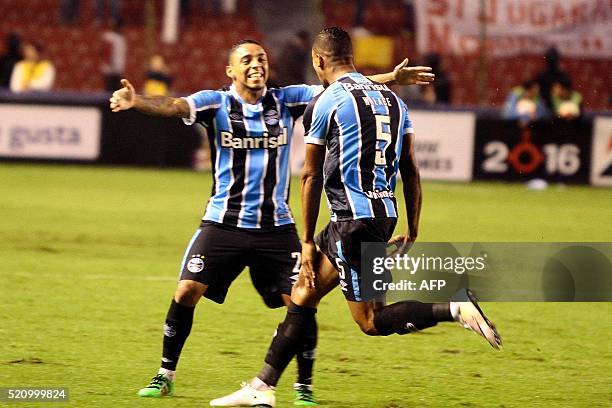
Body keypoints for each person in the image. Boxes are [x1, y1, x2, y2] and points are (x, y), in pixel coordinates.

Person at [109, 38, 434, 404]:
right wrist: (136, 101)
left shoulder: (288, 99)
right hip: (223, 223)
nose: (256, 64)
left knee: (300, 300)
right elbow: (172, 104)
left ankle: (303, 387)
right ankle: (164, 374)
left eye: (261, 58)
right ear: (230, 70)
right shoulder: (214, 102)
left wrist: (391, 76)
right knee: (186, 291)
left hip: (276, 228)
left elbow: (343, 85)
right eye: (246, 60)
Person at [210, 27, 501, 408]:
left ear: (318, 60)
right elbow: (410, 170)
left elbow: (310, 174)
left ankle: (453, 307)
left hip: (351, 223)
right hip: (383, 216)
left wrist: (307, 239)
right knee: (303, 295)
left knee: (370, 321)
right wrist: (413, 227)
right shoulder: (395, 101)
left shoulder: (326, 102)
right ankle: (262, 389)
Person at [535, 47, 570, 112]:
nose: (552, 60)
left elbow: (568, 93)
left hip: (561, 108)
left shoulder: (563, 76)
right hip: (545, 108)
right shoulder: (542, 75)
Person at [101, 18, 126, 92]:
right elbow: (106, 52)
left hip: (118, 69)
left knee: (118, 92)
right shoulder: (109, 37)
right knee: (110, 92)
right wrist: (110, 64)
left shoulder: (121, 39)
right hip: (111, 70)